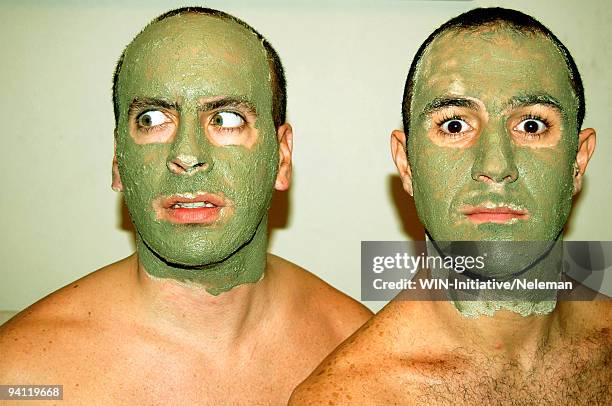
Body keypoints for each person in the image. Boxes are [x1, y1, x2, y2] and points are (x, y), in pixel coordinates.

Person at [0, 7, 371, 404]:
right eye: (152, 119)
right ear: (118, 159)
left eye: (227, 119)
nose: (187, 155)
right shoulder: (22, 377)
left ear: (281, 157)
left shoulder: (361, 360)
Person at [290, 7, 610, 404]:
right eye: (454, 124)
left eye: (532, 125)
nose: (495, 166)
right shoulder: (351, 397)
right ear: (406, 163)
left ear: (578, 160)